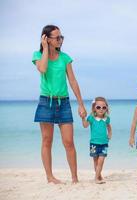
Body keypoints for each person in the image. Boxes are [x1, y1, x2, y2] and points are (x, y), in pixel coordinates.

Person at [32, 25, 87, 184]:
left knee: (69, 142)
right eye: (57, 38)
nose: (60, 40)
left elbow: (73, 81)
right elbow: (42, 69)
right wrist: (44, 49)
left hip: (63, 102)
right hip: (46, 101)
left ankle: (74, 178)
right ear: (46, 39)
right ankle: (50, 177)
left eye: (61, 37)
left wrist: (81, 104)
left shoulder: (65, 58)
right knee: (47, 141)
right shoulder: (38, 55)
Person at [81, 97, 112, 184]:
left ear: (106, 108)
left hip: (104, 143)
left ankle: (96, 178)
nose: (101, 109)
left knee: (101, 160)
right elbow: (85, 125)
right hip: (93, 143)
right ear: (94, 108)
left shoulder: (107, 118)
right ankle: (98, 176)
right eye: (98, 107)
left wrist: (110, 134)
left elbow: (109, 126)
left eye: (104, 107)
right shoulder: (91, 118)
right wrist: (83, 118)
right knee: (95, 161)